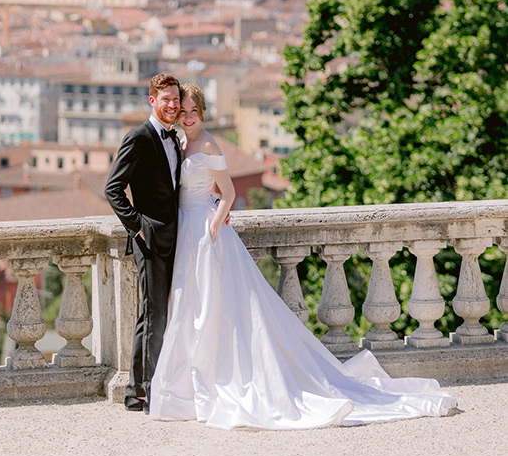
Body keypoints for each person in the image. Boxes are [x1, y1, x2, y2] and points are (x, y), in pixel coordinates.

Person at [149, 83, 456, 430]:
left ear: (202, 113)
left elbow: (230, 192)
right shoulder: (180, 142)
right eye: (183, 111)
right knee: (190, 310)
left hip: (205, 236)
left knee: (210, 312)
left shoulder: (208, 143)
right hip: (185, 232)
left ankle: (211, 386)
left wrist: (213, 228)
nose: (188, 117)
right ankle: (189, 388)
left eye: (193, 111)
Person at [105, 73, 181, 413]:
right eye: (166, 99)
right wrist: (138, 227)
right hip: (150, 240)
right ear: (152, 101)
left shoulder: (175, 138)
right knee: (154, 316)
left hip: (176, 238)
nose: (172, 105)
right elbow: (113, 189)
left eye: (176, 99)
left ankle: (143, 388)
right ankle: (146, 391)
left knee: (156, 315)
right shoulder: (138, 137)